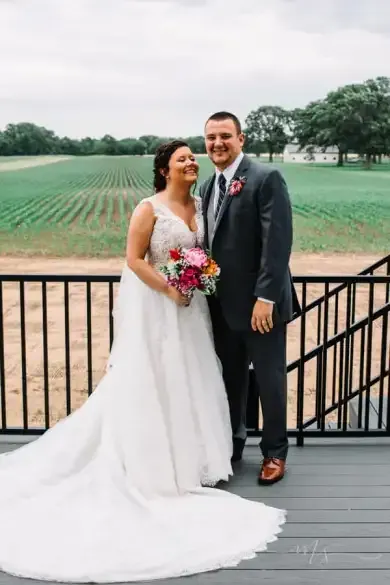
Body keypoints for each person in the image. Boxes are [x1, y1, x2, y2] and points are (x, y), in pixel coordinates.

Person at [0, 140, 286, 583]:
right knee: (155, 379)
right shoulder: (147, 207)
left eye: (194, 157)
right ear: (164, 169)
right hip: (160, 308)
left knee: (192, 379)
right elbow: (133, 259)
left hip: (193, 314)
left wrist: (198, 276)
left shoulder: (204, 200)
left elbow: (214, 250)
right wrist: (171, 287)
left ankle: (191, 460)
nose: (194, 161)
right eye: (183, 158)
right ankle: (152, 464)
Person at [200, 112, 300, 485]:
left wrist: (266, 298)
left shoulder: (264, 178)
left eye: (225, 135)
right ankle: (232, 444)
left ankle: (274, 453)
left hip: (261, 308)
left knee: (270, 381)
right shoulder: (210, 185)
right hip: (222, 307)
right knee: (230, 381)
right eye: (211, 137)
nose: (217, 143)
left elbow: (277, 243)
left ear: (241, 139)